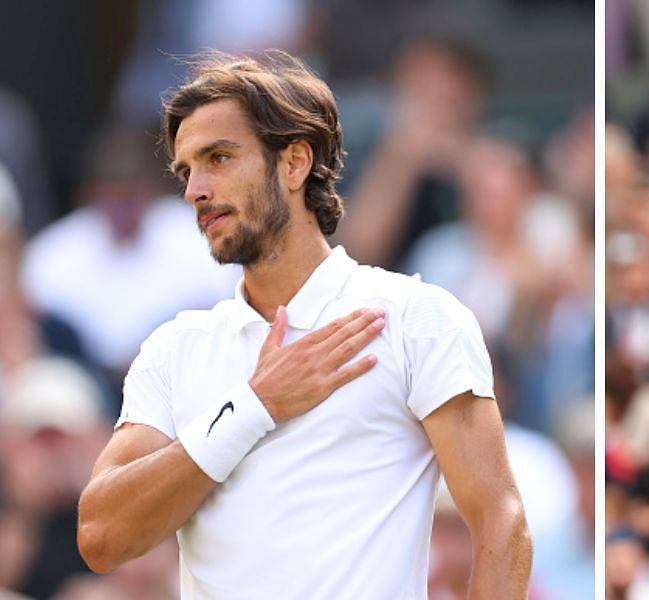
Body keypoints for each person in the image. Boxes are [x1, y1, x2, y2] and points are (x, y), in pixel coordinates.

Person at [75, 51, 531, 598]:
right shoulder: (174, 349)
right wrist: (253, 406)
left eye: (218, 158)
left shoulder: (417, 318)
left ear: (294, 163)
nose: (195, 188)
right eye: (186, 169)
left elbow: (502, 523)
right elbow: (100, 535)